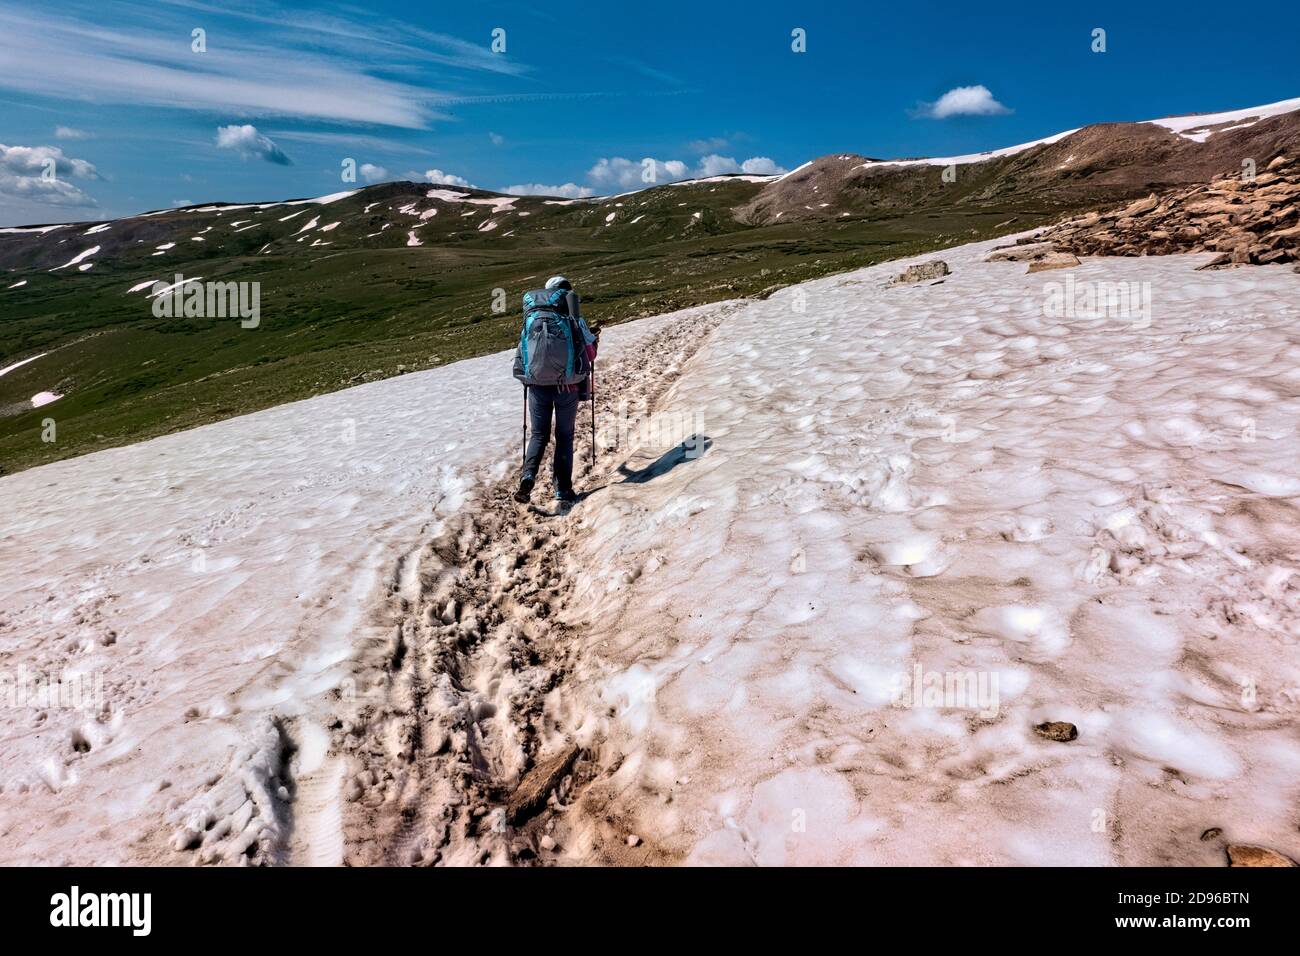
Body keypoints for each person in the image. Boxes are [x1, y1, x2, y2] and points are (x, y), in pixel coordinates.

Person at [512, 275, 598, 504]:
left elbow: (523, 351)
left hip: (537, 387)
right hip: (567, 388)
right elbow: (590, 355)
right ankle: (562, 489)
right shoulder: (574, 317)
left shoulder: (533, 317)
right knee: (564, 436)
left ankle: (528, 478)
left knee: (539, 435)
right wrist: (594, 340)